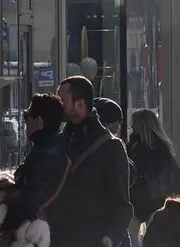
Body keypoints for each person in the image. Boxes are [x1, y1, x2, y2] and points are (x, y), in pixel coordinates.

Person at [48, 75, 133, 247]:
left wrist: (109, 239)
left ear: (80, 105)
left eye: (62, 101)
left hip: (92, 239)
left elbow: (123, 205)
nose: (57, 106)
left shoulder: (110, 147)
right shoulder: (59, 142)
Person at [0, 93, 69, 245]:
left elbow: (29, 198)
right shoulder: (54, 147)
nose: (25, 123)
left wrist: (6, 229)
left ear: (38, 121)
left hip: (33, 234)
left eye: (27, 116)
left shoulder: (43, 153)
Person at [93, 97, 137, 247]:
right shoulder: (112, 147)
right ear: (110, 123)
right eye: (119, 122)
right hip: (111, 225)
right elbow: (129, 177)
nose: (119, 127)